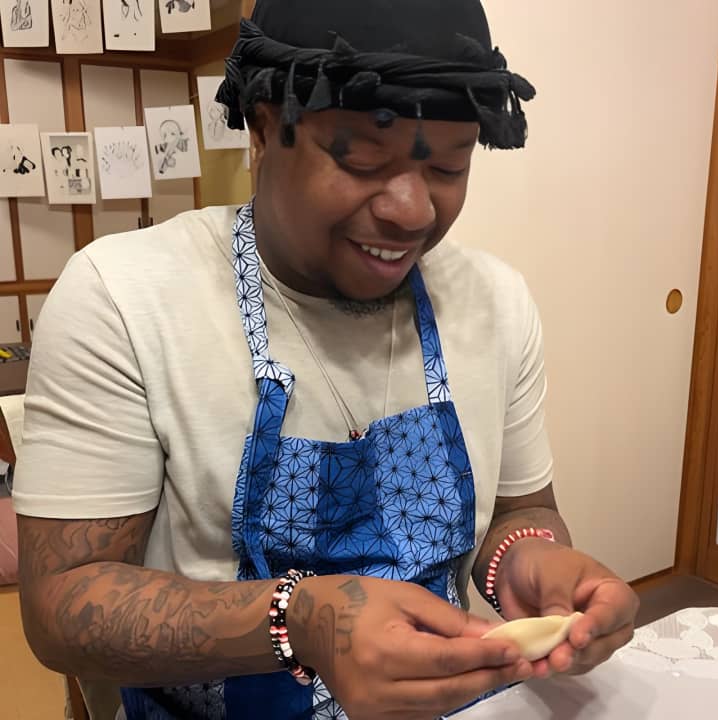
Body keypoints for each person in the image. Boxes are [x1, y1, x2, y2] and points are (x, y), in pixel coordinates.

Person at [13, 1, 639, 719]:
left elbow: (521, 513)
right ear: (262, 127)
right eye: (363, 158)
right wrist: (303, 620)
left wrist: (531, 560)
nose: (412, 210)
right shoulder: (125, 297)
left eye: (448, 165)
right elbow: (63, 603)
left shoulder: (494, 301)